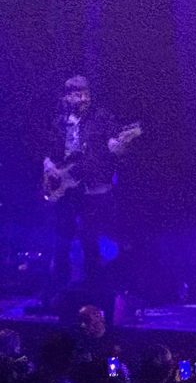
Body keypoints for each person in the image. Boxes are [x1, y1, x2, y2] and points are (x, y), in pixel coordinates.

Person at [42, 76, 138, 296]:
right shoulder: (58, 122)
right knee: (62, 240)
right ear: (67, 97)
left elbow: (113, 142)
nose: (84, 98)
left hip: (90, 187)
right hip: (64, 189)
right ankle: (58, 292)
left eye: (86, 94)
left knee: (89, 239)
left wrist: (119, 144)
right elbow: (46, 150)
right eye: (78, 94)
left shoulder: (101, 118)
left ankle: (92, 292)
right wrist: (49, 166)